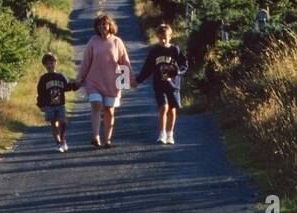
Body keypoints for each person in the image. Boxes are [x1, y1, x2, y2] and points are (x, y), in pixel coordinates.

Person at [74, 13, 133, 148]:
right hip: (94, 81)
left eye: (105, 24)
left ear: (110, 25)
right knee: (96, 105)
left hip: (112, 83)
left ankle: (107, 139)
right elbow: (86, 62)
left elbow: (125, 63)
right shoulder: (93, 41)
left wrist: (130, 79)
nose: (102, 27)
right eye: (100, 25)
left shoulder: (117, 42)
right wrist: (79, 79)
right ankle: (96, 136)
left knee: (109, 110)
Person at [136, 22, 188, 144]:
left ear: (170, 37)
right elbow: (147, 67)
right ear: (157, 37)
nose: (163, 40)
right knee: (163, 107)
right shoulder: (154, 51)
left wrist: (176, 72)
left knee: (172, 109)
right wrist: (139, 80)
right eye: (160, 38)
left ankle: (170, 134)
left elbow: (184, 64)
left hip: (173, 86)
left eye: (165, 38)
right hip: (159, 85)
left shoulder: (175, 50)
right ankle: (162, 133)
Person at [35, 52, 77, 152]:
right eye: (47, 64)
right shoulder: (43, 79)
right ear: (44, 66)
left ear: (55, 63)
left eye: (51, 63)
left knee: (63, 122)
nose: (50, 65)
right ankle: (58, 142)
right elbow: (40, 92)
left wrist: (75, 85)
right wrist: (40, 104)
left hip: (60, 104)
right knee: (54, 123)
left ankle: (63, 140)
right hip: (49, 105)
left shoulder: (60, 76)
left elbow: (66, 87)